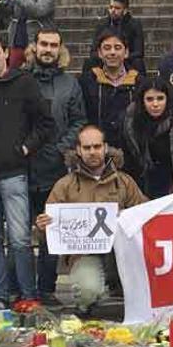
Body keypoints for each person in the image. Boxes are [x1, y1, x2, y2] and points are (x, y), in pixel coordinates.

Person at [0, 31, 55, 310]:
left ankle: (28, 295)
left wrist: (26, 148)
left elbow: (45, 124)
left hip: (14, 172)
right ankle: (0, 295)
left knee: (19, 239)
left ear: (6, 53)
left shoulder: (24, 83)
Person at [34, 125, 147, 314]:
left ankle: (115, 295)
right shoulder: (65, 185)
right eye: (87, 148)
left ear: (105, 147)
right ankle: (92, 301)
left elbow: (143, 213)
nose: (92, 152)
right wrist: (42, 227)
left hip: (120, 253)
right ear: (78, 150)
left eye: (96, 146)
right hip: (84, 255)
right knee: (88, 291)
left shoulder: (124, 181)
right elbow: (49, 236)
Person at [26, 29, 87, 306]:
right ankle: (23, 290)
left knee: (50, 233)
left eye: (53, 45)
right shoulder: (20, 79)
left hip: (55, 169)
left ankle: (46, 289)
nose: (48, 49)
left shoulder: (69, 84)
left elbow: (78, 121)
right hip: (22, 167)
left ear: (60, 49)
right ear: (35, 47)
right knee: (19, 234)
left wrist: (61, 147)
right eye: (43, 44)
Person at [123, 78, 173, 198]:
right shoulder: (131, 123)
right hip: (143, 184)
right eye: (149, 99)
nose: (155, 104)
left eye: (160, 98)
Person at [80, 30, 143, 151]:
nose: (112, 52)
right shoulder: (87, 82)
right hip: (97, 151)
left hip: (131, 152)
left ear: (126, 52)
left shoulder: (140, 83)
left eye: (118, 47)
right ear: (99, 52)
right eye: (107, 48)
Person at [86, 0, 145, 75]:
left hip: (126, 60)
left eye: (117, 8)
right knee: (90, 62)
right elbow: (93, 51)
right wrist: (106, 56)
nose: (113, 10)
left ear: (125, 10)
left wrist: (120, 56)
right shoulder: (102, 24)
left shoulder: (134, 24)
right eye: (111, 7)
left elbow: (139, 52)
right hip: (105, 60)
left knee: (138, 62)